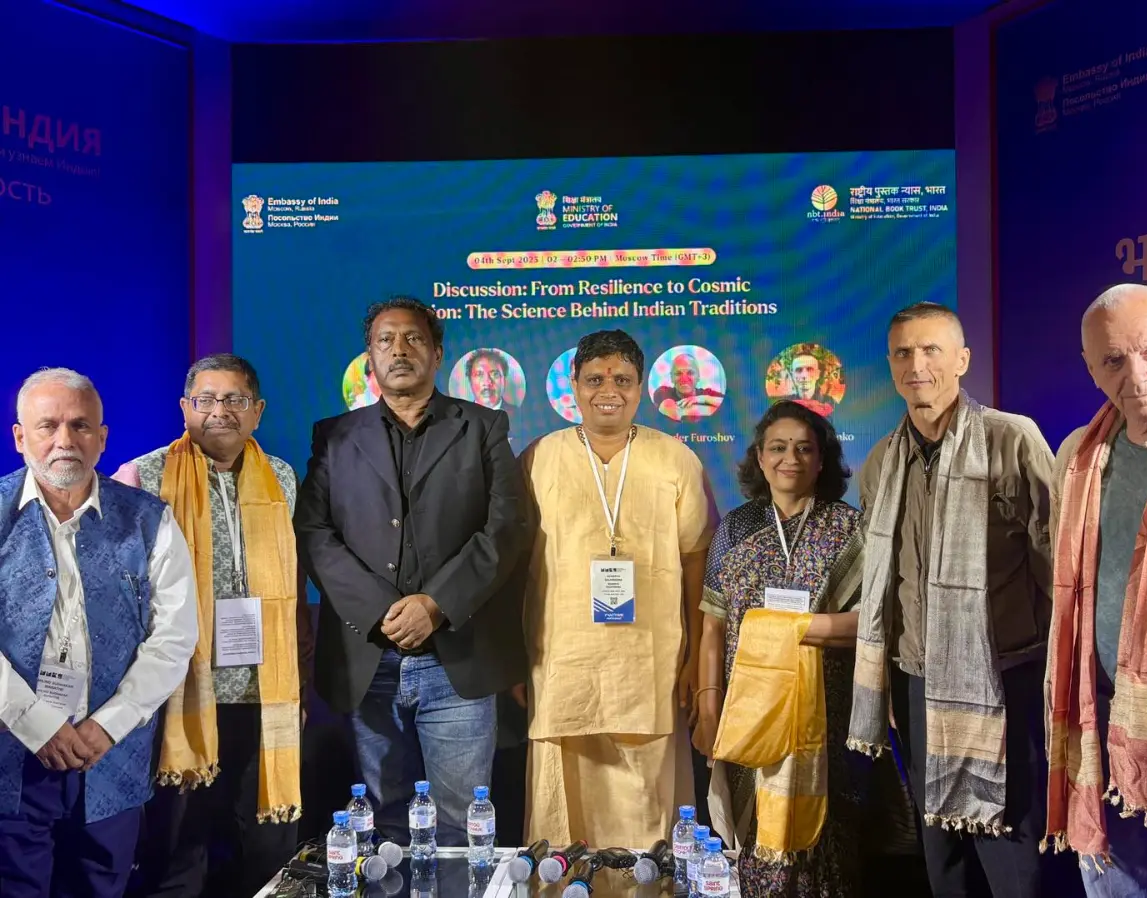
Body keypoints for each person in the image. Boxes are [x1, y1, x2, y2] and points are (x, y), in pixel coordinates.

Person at [294, 296, 529, 847]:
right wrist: (381, 610)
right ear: (369, 357)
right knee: (382, 824)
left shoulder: (483, 427)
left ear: (437, 353)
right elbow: (314, 532)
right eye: (385, 340)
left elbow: (507, 528)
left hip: (458, 660)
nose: (399, 350)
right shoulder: (334, 435)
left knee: (461, 825)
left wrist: (436, 604)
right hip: (368, 658)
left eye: (413, 338)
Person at [847, 302, 1057, 898]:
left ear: (962, 360)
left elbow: (1057, 563)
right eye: (903, 353)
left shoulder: (1010, 439)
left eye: (931, 349)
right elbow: (885, 584)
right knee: (942, 858)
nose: (917, 364)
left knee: (1012, 854)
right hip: (915, 683)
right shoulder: (882, 463)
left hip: (1003, 681)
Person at [115, 354, 310, 898]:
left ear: (257, 411)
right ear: (185, 408)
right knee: (180, 849)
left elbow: (293, 587)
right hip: (179, 693)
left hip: (262, 691)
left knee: (268, 846)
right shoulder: (143, 476)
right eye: (206, 399)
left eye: (235, 399)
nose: (220, 411)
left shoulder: (282, 478)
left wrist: (302, 679)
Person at [0, 368, 198, 898]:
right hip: (11, 759)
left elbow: (174, 636)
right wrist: (35, 722)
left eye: (80, 425)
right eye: (48, 426)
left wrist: (109, 726)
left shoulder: (149, 519)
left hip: (109, 759)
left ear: (103, 438)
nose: (65, 440)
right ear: (19, 437)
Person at [520, 329, 718, 848]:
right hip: (561, 662)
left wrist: (695, 658)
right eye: (595, 379)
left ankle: (647, 884)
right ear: (574, 385)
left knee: (646, 807)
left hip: (649, 666)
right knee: (563, 809)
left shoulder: (675, 459)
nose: (609, 391)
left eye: (623, 380)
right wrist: (513, 659)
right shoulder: (540, 457)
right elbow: (513, 565)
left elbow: (697, 561)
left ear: (641, 386)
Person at [1045, 284, 1147, 897]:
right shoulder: (1078, 456)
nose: (1135, 375)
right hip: (1102, 715)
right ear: (1090, 368)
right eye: (1113, 359)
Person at [695, 400, 865, 896]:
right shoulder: (736, 528)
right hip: (751, 716)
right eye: (778, 447)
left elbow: (871, 625)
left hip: (829, 716)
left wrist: (789, 628)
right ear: (760, 457)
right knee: (757, 842)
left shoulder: (849, 529)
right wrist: (709, 708)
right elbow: (712, 628)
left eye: (804, 448)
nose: (790, 458)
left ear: (822, 459)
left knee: (828, 841)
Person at [654, 352, 723, 421]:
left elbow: (727, 405)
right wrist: (712, 407)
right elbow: (675, 413)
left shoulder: (707, 394)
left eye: (690, 373)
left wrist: (703, 399)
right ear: (671, 377)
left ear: (698, 376)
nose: (684, 379)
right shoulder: (663, 392)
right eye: (678, 373)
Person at [465, 348, 518, 413]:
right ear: (470, 381)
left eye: (495, 374)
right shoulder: (459, 416)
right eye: (479, 374)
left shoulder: (521, 413)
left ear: (504, 380)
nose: (487, 382)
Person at [785, 353, 834, 417]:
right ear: (793, 375)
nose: (804, 375)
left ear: (817, 374)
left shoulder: (830, 404)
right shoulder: (785, 404)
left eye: (810, 369)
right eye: (799, 370)